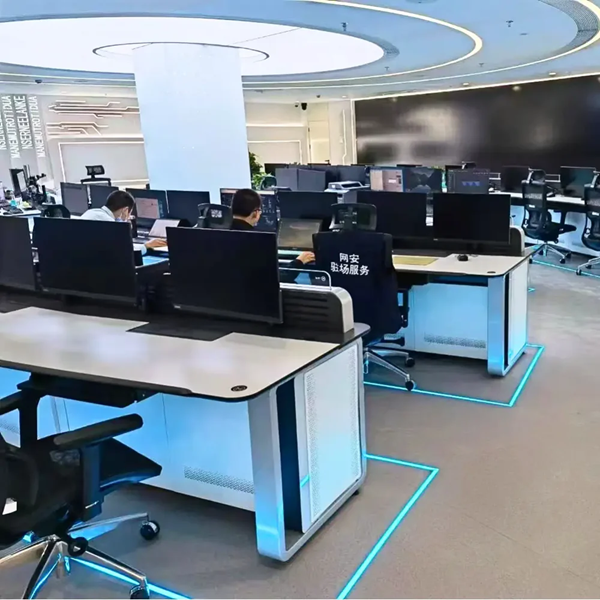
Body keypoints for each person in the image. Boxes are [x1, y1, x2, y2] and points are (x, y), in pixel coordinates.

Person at [231, 189, 315, 268]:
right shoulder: (258, 242)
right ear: (255, 213)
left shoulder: (223, 234)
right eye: (260, 210)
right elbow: (277, 275)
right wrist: (299, 261)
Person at [80, 189, 166, 252]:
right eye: (129, 213)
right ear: (125, 210)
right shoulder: (109, 223)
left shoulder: (91, 212)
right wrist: (147, 245)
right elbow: (127, 251)